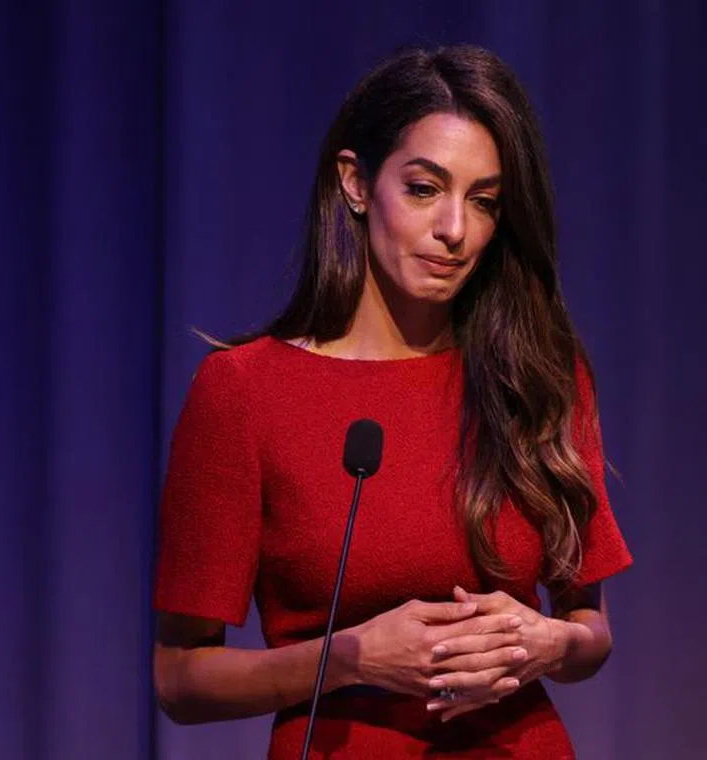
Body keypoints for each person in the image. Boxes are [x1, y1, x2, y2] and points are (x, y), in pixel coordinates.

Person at [152, 44, 633, 759]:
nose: (455, 231)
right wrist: (349, 658)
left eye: (484, 202)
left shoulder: (537, 375)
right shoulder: (245, 392)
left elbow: (591, 633)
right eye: (423, 189)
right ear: (354, 182)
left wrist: (547, 642)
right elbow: (180, 679)